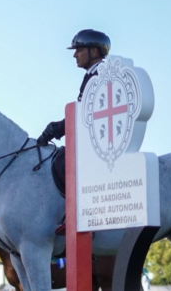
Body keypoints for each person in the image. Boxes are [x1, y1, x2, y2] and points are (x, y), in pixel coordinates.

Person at [37, 29, 111, 235]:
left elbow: (87, 112)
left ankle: (82, 214)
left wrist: (57, 128)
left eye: (79, 50)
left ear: (94, 51)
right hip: (93, 136)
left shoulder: (101, 74)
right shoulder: (91, 75)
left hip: (102, 139)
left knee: (64, 161)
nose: (74, 54)